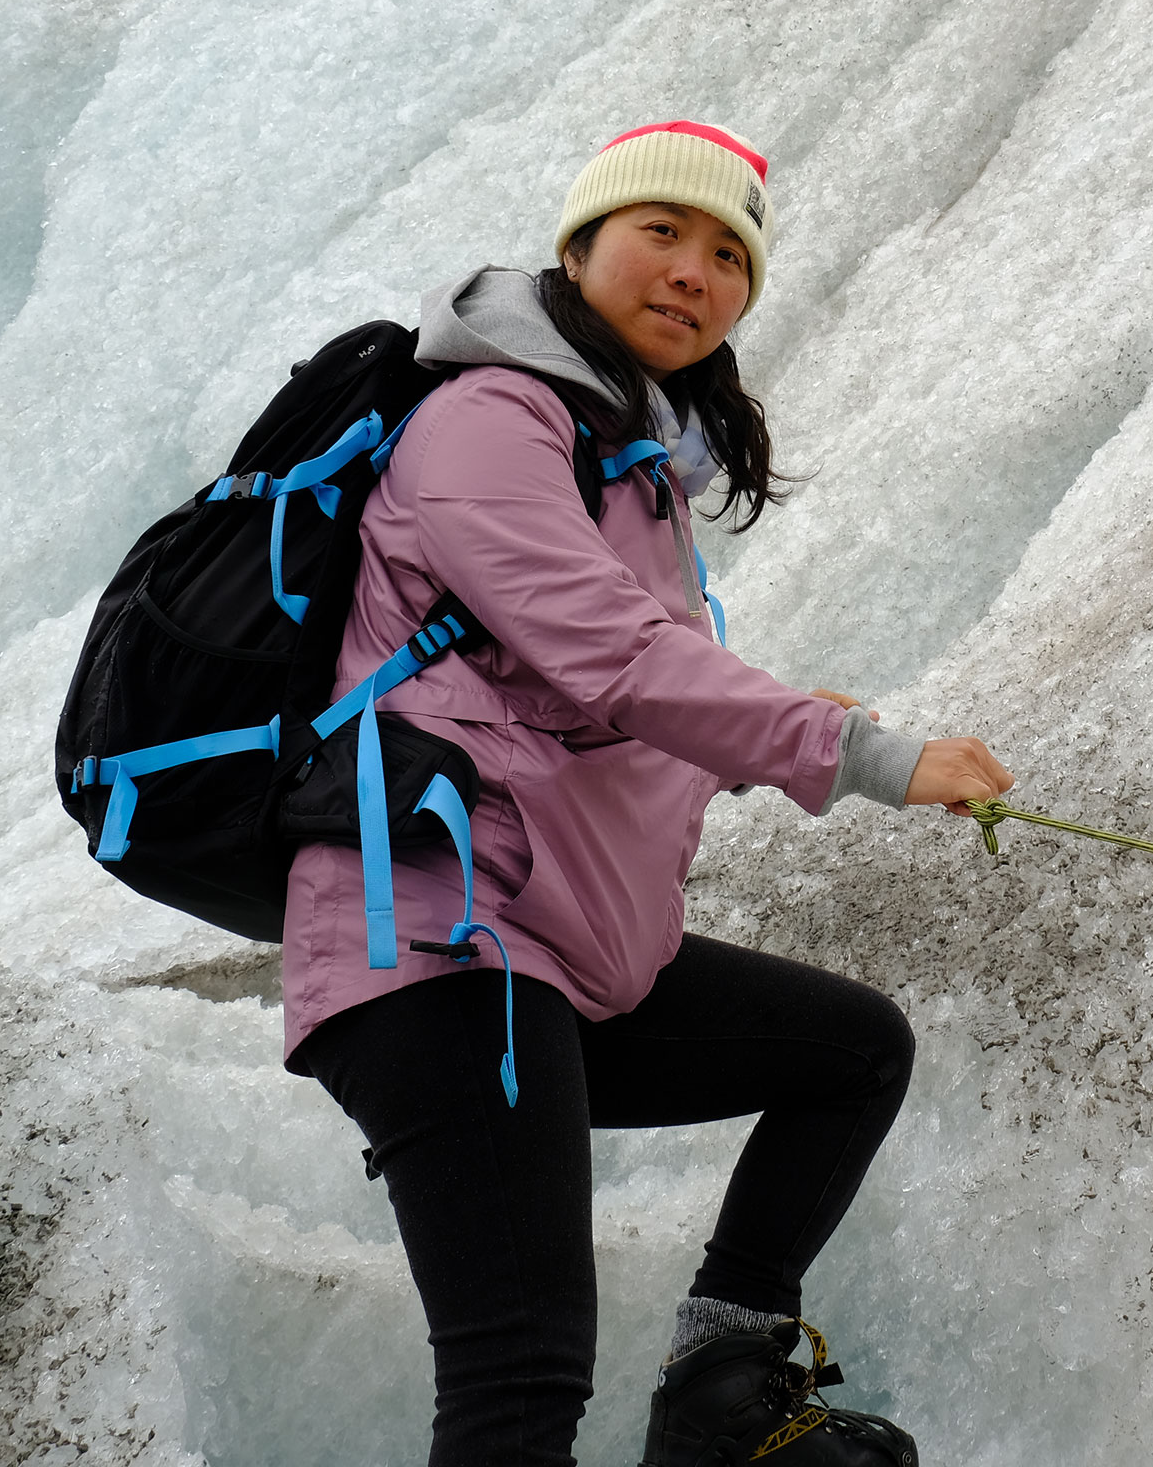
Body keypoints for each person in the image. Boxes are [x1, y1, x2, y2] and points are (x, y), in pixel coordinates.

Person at [283, 119, 1012, 1467]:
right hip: (448, 951)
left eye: (729, 255)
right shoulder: (490, 417)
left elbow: (603, 712)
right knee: (517, 1381)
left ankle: (719, 1388)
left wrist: (775, 734)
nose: (693, 272)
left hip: (566, 954)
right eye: (661, 233)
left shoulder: (633, 470)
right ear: (579, 247)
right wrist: (868, 759)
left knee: (851, 1050)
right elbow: (614, 659)